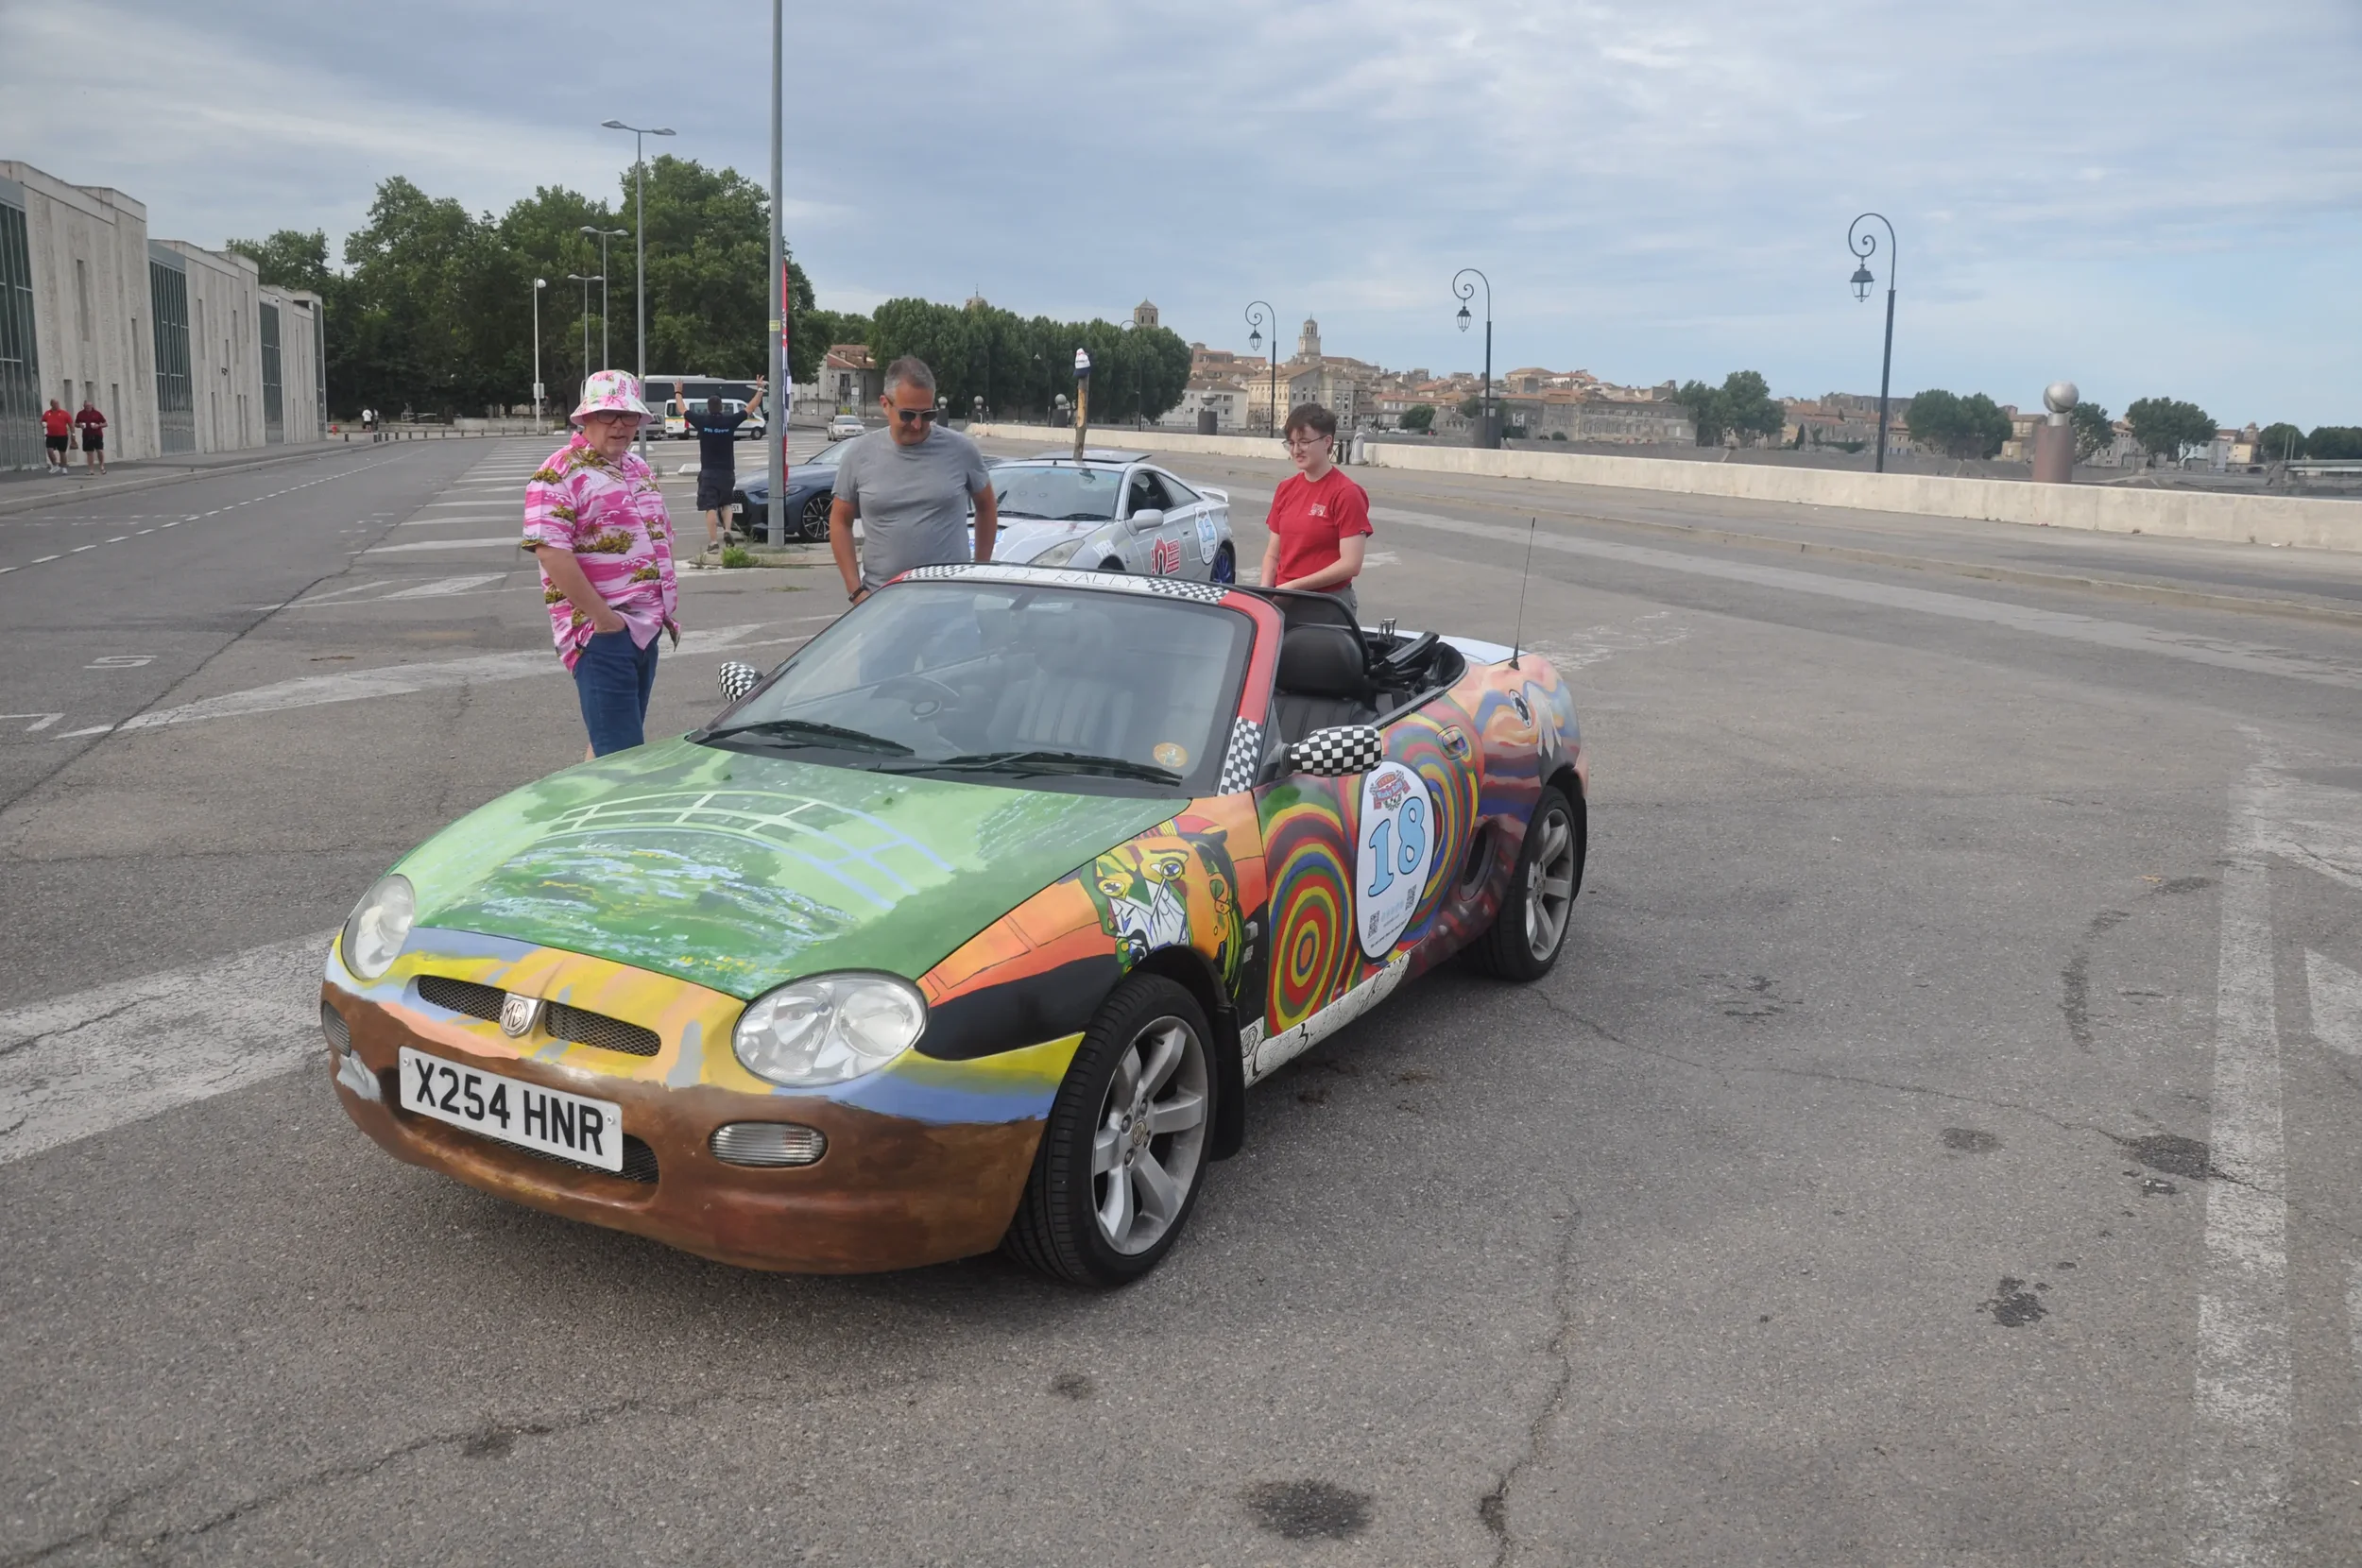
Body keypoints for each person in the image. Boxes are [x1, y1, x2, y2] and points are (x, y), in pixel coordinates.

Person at [522, 371, 680, 760]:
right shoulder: (558, 472)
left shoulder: (638, 469)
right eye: (609, 415)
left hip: (645, 631)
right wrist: (605, 620)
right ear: (586, 418)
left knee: (609, 747)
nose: (620, 425)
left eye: (628, 416)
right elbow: (551, 552)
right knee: (622, 759)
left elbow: (660, 538)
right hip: (601, 635)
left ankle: (583, 816)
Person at [829, 356, 997, 605]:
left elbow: (986, 506)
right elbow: (840, 520)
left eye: (927, 414)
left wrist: (978, 573)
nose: (918, 425)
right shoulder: (858, 454)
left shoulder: (961, 450)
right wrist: (856, 591)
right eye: (908, 415)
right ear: (885, 404)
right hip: (882, 605)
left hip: (951, 603)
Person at [1258, 401, 1371, 616]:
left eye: (1304, 442)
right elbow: (1273, 553)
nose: (1295, 450)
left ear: (1327, 442)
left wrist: (1293, 587)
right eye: (1290, 443)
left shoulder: (1346, 493)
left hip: (1326, 603)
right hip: (1283, 599)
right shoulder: (1285, 488)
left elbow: (1350, 564)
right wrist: (1264, 591)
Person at [675, 377, 765, 554]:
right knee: (726, 504)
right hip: (727, 471)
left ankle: (714, 542)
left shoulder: (702, 422)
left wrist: (678, 391)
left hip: (708, 471)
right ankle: (727, 531)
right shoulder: (729, 422)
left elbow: (682, 409)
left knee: (710, 506)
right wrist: (760, 389)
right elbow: (750, 407)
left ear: (708, 408)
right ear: (721, 408)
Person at [73, 398, 108, 475]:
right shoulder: (80, 414)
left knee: (100, 451)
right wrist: (80, 425)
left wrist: (98, 425)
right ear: (84, 406)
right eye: (86, 406)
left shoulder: (97, 413)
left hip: (97, 434)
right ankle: (91, 470)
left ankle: (102, 466)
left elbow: (105, 423)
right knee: (89, 453)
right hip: (86, 435)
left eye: (89, 406)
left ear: (92, 406)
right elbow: (76, 424)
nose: (88, 407)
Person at [41, 400, 72, 475]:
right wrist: (43, 424)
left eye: (58, 403)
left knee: (62, 452)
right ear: (51, 404)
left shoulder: (64, 413)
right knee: (49, 450)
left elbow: (71, 424)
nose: (57, 405)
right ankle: (55, 465)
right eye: (55, 404)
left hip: (62, 435)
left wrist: (73, 434)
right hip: (51, 435)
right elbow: (43, 421)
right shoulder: (47, 413)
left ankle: (64, 468)